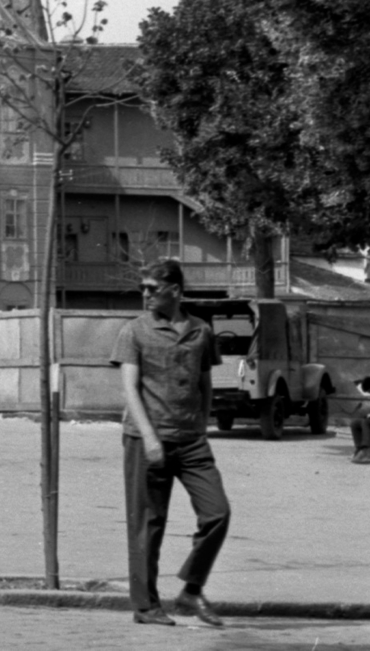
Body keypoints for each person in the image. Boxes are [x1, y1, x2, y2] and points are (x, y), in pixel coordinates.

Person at [109, 260, 231, 627]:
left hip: (192, 441)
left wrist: (202, 427)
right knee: (148, 525)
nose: (144, 295)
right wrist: (149, 438)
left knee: (217, 513)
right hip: (146, 438)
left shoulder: (200, 331)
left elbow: (206, 384)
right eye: (143, 288)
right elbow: (130, 388)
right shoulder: (133, 331)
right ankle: (146, 607)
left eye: (152, 288)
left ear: (175, 291)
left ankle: (190, 592)